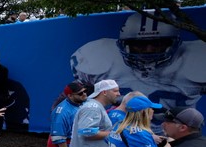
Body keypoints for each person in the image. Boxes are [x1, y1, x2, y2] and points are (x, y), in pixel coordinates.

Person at [72, 11, 206, 117]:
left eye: (157, 44)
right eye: (139, 44)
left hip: (173, 132)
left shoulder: (196, 58)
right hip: (123, 130)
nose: (148, 50)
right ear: (124, 45)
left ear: (173, 43)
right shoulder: (98, 56)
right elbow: (79, 96)